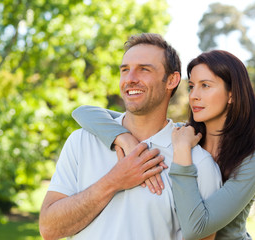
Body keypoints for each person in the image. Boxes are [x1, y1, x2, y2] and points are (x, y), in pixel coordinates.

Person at [72, 50, 255, 240]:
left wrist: (183, 151)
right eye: (192, 86)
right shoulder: (182, 133)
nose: (194, 95)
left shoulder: (254, 158)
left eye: (206, 86)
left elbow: (196, 228)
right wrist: (124, 138)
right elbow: (84, 113)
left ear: (232, 95)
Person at [39, 33, 221, 240]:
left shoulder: (199, 164)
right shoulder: (81, 141)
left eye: (144, 69)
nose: (130, 79)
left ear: (172, 80)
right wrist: (114, 181)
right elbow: (49, 229)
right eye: (125, 70)